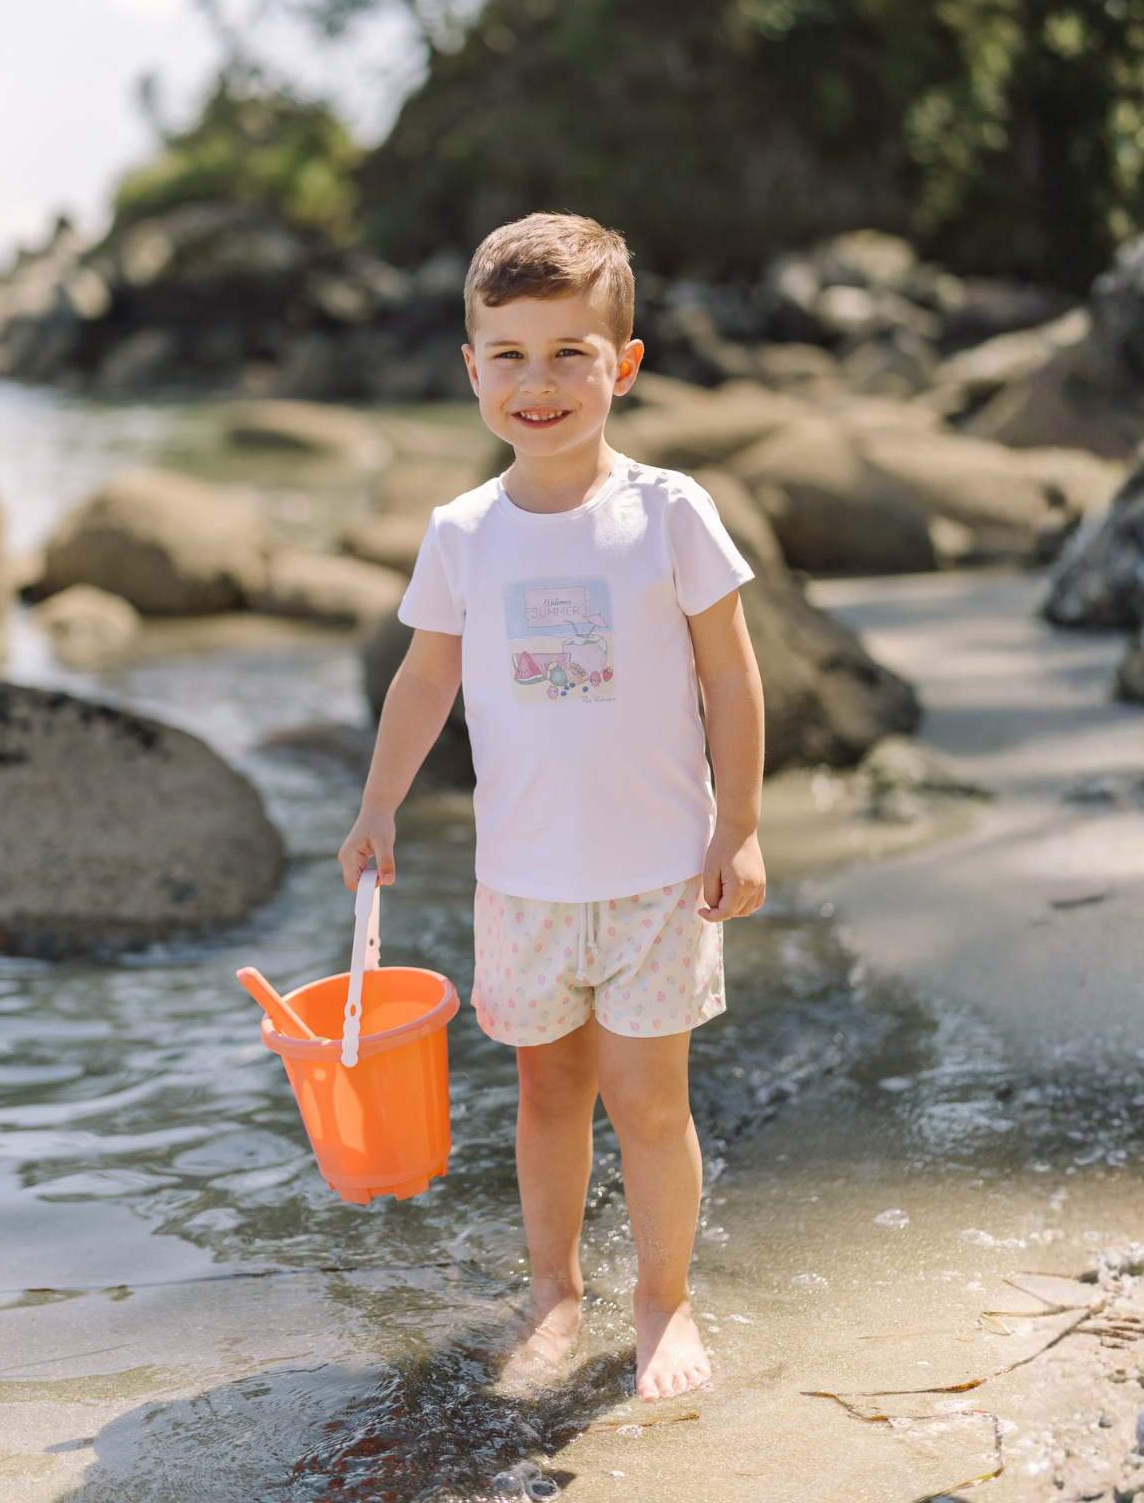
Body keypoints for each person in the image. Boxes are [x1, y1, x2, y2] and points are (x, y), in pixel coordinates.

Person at [337, 213, 767, 1402]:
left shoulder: (668, 511)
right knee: (545, 1090)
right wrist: (378, 806)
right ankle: (555, 1292)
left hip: (656, 875)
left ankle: (663, 1299)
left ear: (622, 366)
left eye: (570, 353)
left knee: (649, 1100)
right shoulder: (462, 533)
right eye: (510, 356)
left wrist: (737, 825)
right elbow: (423, 680)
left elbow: (731, 673)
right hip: (523, 879)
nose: (539, 383)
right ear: (471, 369)